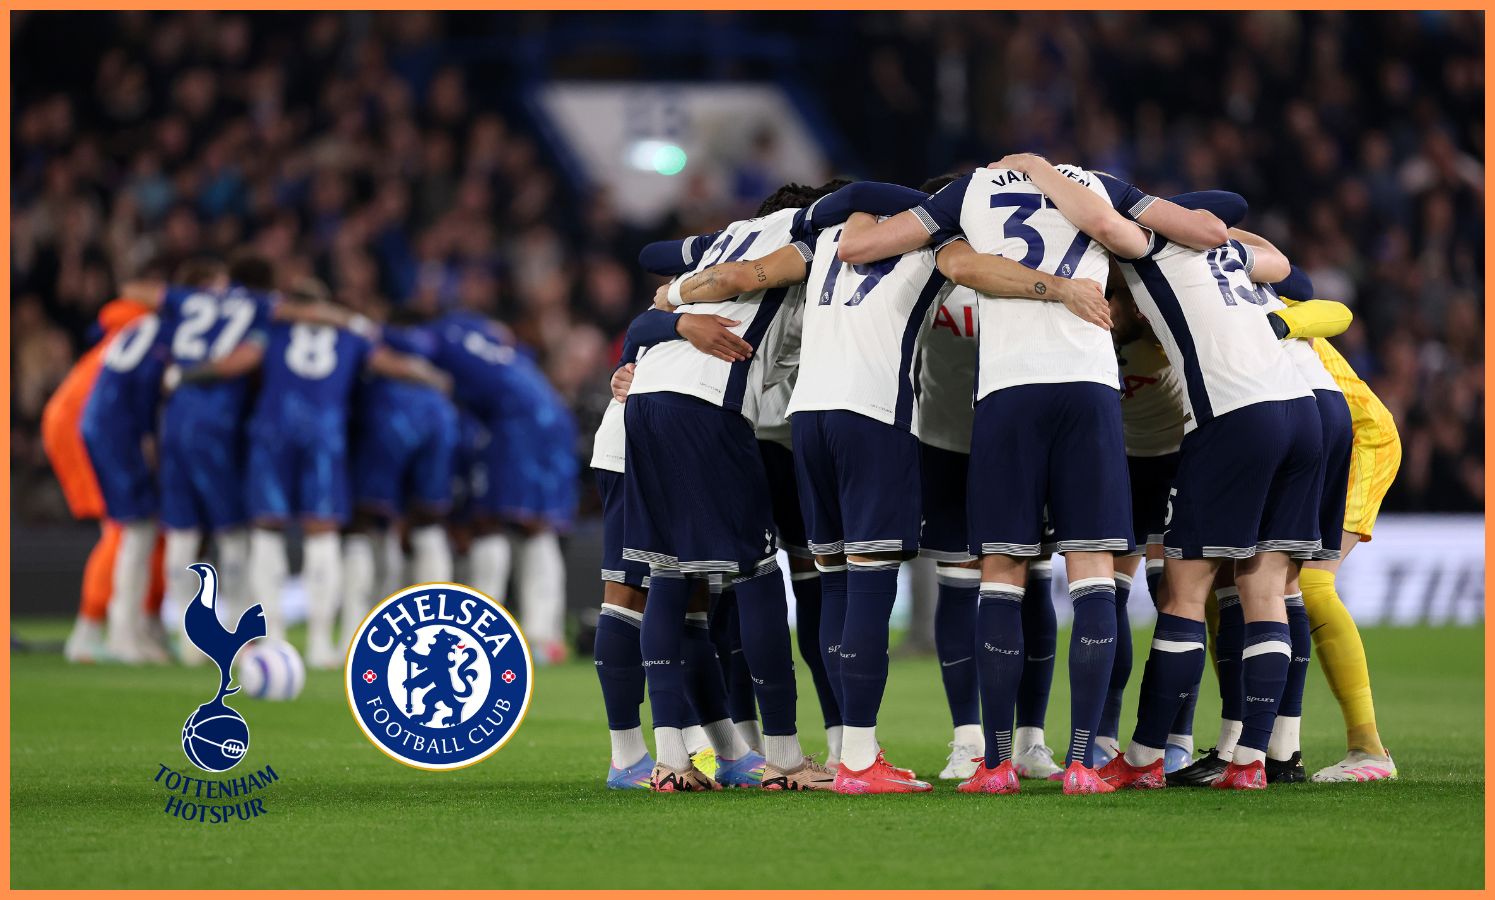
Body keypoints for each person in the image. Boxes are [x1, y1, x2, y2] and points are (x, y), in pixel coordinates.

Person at [823, 161, 1222, 793]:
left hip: (1006, 395)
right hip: (1087, 389)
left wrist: (864, 210)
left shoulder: (971, 190)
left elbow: (860, 247)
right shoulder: (1094, 185)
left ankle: (995, 762)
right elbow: (1209, 229)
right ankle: (1085, 761)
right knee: (1094, 571)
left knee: (1001, 574)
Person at [1000, 153, 1322, 791]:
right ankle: (1251, 761)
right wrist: (1219, 230)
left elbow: (1100, 218)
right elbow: (1292, 271)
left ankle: (1145, 756)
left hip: (1235, 417)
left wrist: (1039, 169)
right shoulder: (1230, 257)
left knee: (1183, 595)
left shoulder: (1149, 250)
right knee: (1265, 590)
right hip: (1301, 413)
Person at [180, 277, 447, 667]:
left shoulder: (273, 327)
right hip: (324, 434)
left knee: (267, 531)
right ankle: (321, 643)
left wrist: (187, 374)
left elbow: (241, 360)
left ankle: (272, 637)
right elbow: (390, 363)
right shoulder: (351, 333)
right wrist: (433, 377)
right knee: (322, 534)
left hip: (273, 431)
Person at [1270, 283, 1402, 783]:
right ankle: (1261, 742)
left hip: (1361, 441)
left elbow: (1332, 308)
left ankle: (1369, 749)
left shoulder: (1258, 296)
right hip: (1312, 444)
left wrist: (1283, 323)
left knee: (1310, 584)